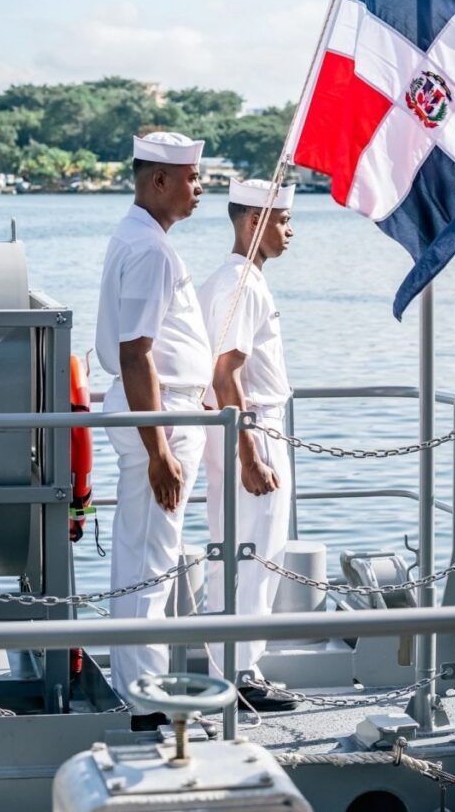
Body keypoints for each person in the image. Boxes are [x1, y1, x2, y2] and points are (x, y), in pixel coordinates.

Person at [95, 131, 212, 728]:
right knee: (151, 560)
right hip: (159, 419)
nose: (201, 187)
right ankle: (146, 703)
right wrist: (159, 447)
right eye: (192, 178)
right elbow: (137, 354)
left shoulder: (142, 237)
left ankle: (135, 688)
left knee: (140, 553)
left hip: (162, 414)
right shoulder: (151, 251)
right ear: (158, 180)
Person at [198, 178, 297, 711]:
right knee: (249, 552)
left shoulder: (242, 280)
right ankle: (237, 675)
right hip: (251, 427)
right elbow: (225, 373)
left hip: (252, 426)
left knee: (249, 551)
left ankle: (238, 667)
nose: (290, 231)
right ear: (251, 222)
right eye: (281, 220)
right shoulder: (241, 283)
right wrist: (249, 454)